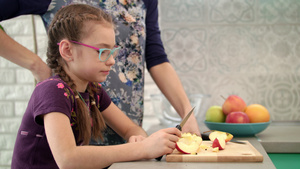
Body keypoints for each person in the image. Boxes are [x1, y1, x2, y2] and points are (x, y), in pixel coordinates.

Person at [0, 0, 201, 145]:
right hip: (71, 127)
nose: (112, 60)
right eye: (103, 51)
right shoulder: (53, 93)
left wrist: (186, 112)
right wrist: (35, 65)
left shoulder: (96, 93)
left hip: (124, 128)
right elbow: (69, 160)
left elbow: (156, 56)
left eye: (113, 51)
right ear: (67, 50)